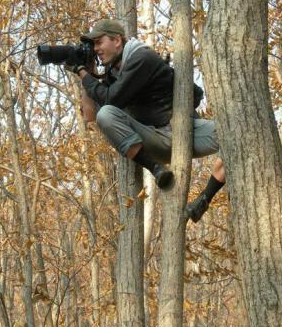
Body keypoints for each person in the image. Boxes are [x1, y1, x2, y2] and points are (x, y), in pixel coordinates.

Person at [68, 19, 226, 223]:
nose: (96, 49)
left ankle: (204, 199)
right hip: (155, 140)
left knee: (237, 135)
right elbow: (90, 116)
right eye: (93, 45)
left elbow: (111, 98)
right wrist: (87, 73)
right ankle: (156, 168)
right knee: (105, 114)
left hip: (185, 132)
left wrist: (81, 72)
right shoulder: (113, 72)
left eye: (99, 42)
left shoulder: (141, 57)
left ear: (117, 40)